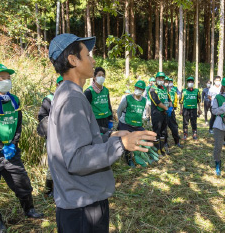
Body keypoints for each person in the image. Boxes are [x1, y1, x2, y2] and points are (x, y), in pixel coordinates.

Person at [47, 33, 156, 233]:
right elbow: (77, 159)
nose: (93, 60)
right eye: (87, 55)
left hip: (79, 200)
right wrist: (121, 145)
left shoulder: (68, 94)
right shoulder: (72, 98)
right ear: (73, 60)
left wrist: (111, 137)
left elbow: (80, 142)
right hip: (83, 207)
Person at [0, 64, 43, 232]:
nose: (6, 81)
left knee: (22, 181)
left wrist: (13, 143)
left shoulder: (14, 100)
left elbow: (18, 124)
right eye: (1, 79)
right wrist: (0, 147)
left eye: (8, 78)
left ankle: (29, 209)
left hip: (10, 150)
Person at [37, 75, 64, 197]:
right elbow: (42, 117)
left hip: (67, 138)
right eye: (61, 83)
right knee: (52, 165)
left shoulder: (70, 99)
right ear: (57, 85)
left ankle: (61, 189)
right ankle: (48, 190)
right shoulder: (49, 99)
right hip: (53, 138)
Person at [117, 80, 148, 167]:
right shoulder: (127, 98)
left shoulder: (144, 100)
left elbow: (145, 111)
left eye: (140, 89)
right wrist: (121, 121)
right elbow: (119, 110)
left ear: (143, 90)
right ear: (134, 88)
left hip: (137, 124)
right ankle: (129, 160)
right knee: (127, 142)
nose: (138, 90)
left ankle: (140, 158)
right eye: (136, 88)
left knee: (144, 138)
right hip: (125, 123)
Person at [149, 71, 173, 156]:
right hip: (157, 113)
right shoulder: (152, 89)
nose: (161, 80)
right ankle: (157, 149)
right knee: (157, 132)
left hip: (165, 113)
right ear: (156, 79)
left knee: (163, 131)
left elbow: (169, 99)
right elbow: (157, 101)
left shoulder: (165, 89)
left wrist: (171, 107)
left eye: (162, 78)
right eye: (159, 78)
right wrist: (166, 108)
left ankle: (162, 147)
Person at [84, 67, 114, 132]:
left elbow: (108, 104)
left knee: (107, 138)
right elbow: (85, 109)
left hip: (105, 119)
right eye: (99, 75)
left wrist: (111, 117)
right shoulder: (89, 91)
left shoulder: (106, 90)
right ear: (94, 77)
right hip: (95, 121)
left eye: (103, 75)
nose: (101, 77)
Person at [166, 77, 182, 148]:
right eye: (166, 82)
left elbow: (170, 101)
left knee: (174, 127)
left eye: (168, 82)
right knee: (164, 129)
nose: (167, 83)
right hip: (162, 112)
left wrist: (171, 108)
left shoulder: (172, 91)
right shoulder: (160, 91)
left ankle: (177, 141)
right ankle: (165, 143)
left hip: (170, 111)